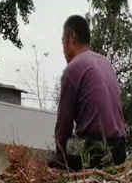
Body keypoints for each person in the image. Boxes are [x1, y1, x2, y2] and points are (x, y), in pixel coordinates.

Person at [52, 14, 126, 171]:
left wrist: (59, 160)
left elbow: (64, 124)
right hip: (120, 149)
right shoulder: (105, 63)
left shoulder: (72, 69)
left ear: (71, 38)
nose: (63, 49)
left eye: (63, 42)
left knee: (57, 156)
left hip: (95, 151)